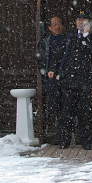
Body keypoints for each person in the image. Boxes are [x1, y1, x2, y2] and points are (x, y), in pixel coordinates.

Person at [53, 11, 92, 150]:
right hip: (68, 81)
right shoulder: (69, 36)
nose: (80, 22)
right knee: (66, 112)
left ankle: (86, 141)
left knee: (85, 113)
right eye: (78, 20)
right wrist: (60, 74)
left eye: (83, 20)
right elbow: (63, 56)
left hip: (85, 81)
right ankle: (64, 140)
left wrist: (85, 36)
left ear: (88, 23)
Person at [35, 15, 66, 143]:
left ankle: (65, 135)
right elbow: (41, 59)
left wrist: (62, 72)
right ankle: (54, 134)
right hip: (51, 80)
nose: (57, 26)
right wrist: (47, 71)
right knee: (53, 106)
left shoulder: (68, 40)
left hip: (65, 79)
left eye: (59, 23)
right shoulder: (45, 42)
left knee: (66, 107)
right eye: (54, 24)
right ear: (49, 28)